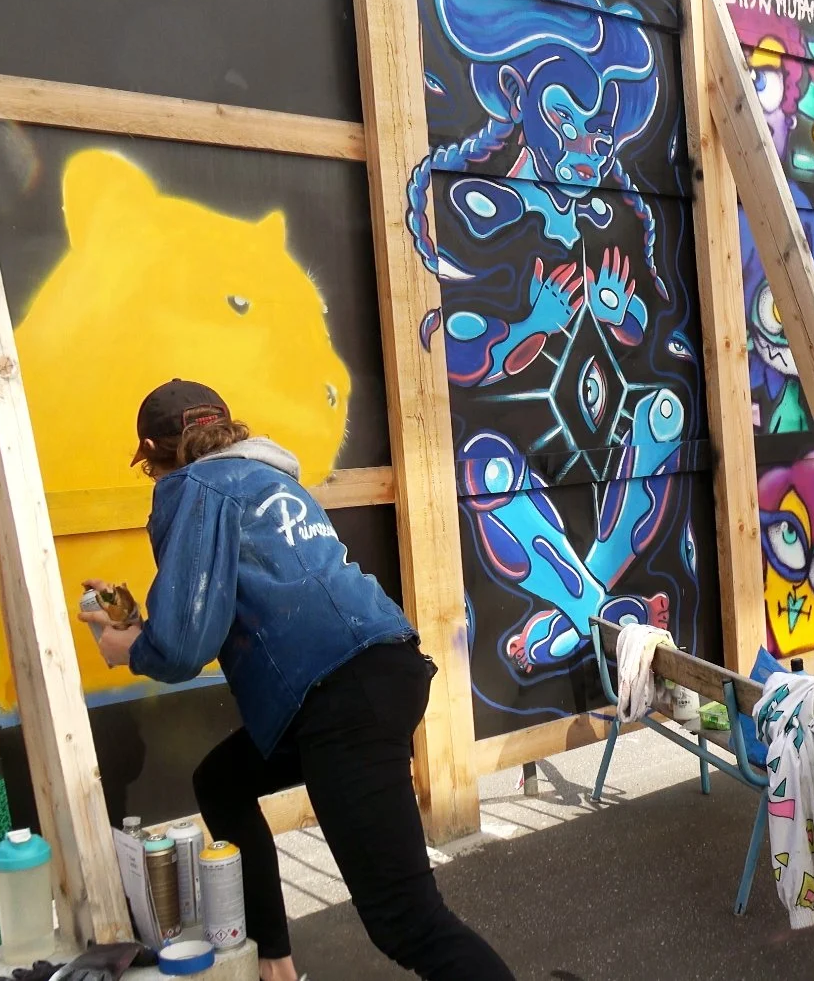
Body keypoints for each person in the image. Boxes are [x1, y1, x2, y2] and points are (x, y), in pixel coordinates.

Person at [80, 380, 515, 981]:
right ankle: (274, 961)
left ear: (154, 452)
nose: (154, 480)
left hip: (339, 697)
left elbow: (182, 647)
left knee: (407, 922)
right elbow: (212, 611)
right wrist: (139, 628)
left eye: (149, 469)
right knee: (223, 782)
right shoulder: (268, 477)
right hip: (377, 669)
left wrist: (126, 647)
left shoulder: (192, 487)